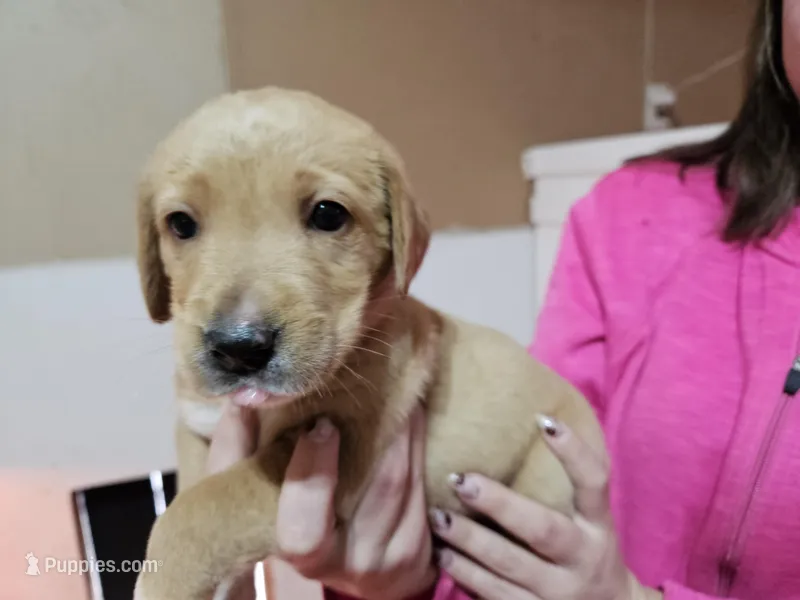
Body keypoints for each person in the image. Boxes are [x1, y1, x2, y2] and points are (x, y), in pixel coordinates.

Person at [207, 0, 800, 598]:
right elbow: (519, 497)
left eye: (327, 216)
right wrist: (415, 580)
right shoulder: (628, 213)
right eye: (185, 226)